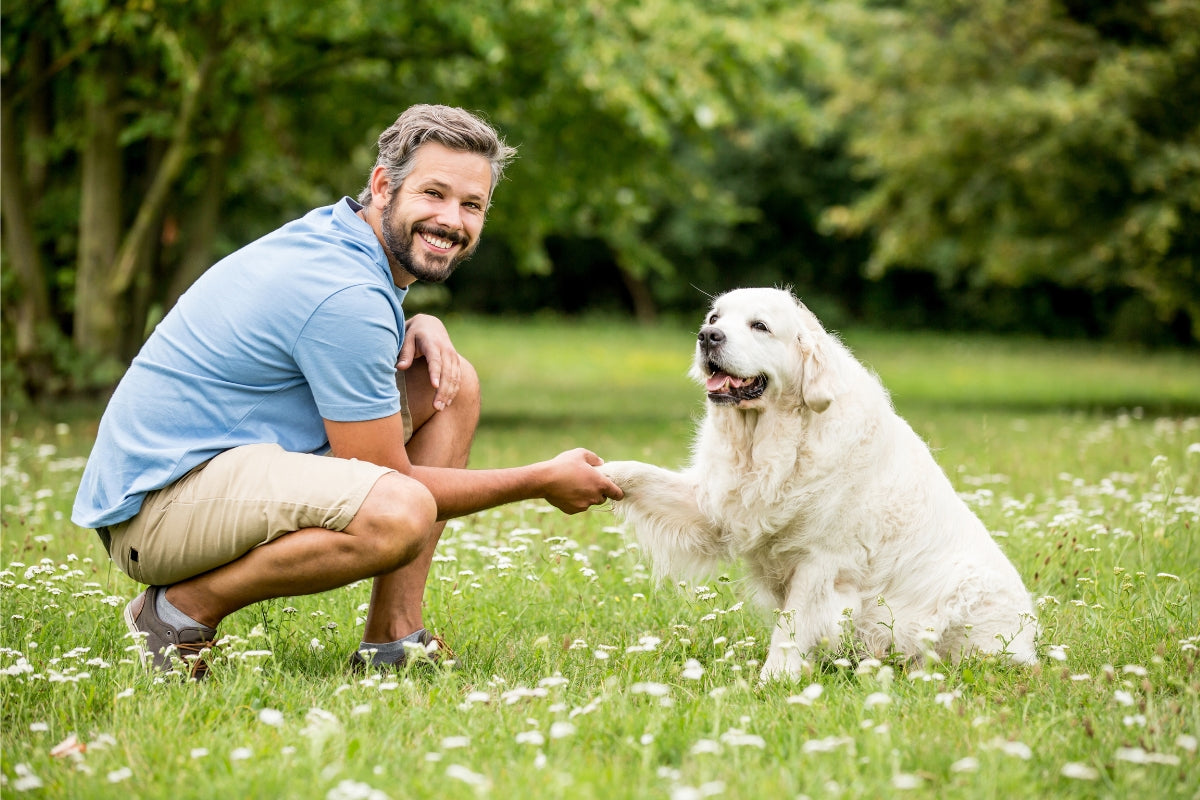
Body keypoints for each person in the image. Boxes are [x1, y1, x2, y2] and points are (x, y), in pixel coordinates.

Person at [71, 104, 623, 679]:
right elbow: (391, 480)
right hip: (156, 510)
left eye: (471, 205)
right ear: (384, 186)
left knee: (449, 384)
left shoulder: (342, 239)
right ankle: (176, 615)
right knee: (398, 511)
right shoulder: (346, 294)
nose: (451, 219)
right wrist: (540, 480)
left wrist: (418, 323)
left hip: (204, 473)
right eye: (433, 193)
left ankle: (393, 640)